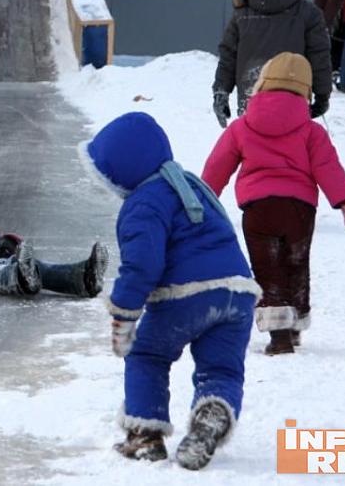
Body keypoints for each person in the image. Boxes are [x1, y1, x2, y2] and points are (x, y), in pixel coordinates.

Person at [83, 112, 261, 470]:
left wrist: (123, 313)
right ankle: (211, 418)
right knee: (222, 371)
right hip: (237, 293)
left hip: (186, 295)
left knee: (147, 355)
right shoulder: (191, 185)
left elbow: (142, 265)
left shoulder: (142, 204)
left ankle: (144, 437)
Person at [203, 53, 345, 355]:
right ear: (305, 92)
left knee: (268, 269)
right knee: (296, 263)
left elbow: (217, 166)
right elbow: (328, 167)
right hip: (299, 210)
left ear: (261, 85)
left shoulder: (242, 127)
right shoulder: (312, 131)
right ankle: (295, 324)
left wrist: (203, 199)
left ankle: (280, 336)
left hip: (258, 210)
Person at [212, 0, 330, 127]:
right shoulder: (310, 14)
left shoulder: (242, 13)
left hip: (251, 91)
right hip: (293, 91)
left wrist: (221, 93)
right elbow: (319, 55)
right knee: (289, 144)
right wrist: (322, 95)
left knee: (252, 143)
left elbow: (228, 55)